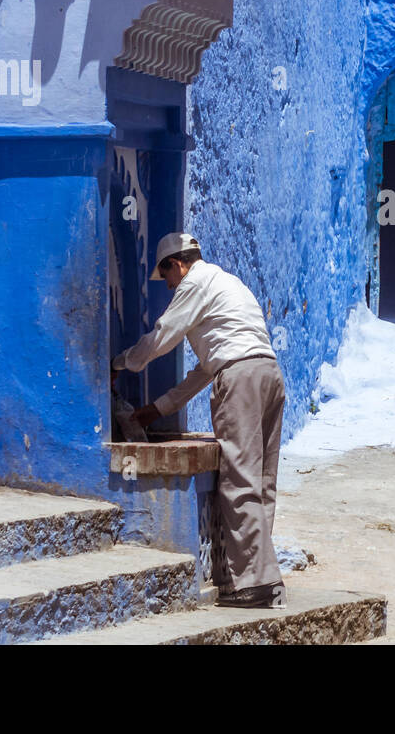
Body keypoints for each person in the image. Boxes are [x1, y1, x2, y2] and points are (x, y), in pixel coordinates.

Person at [111, 232, 286, 608]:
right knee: (262, 482)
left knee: (239, 481)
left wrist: (120, 362)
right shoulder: (228, 283)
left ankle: (253, 584)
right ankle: (266, 580)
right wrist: (155, 410)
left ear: (177, 265)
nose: (170, 288)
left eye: (168, 279)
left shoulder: (193, 284)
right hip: (269, 374)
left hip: (239, 381)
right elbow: (204, 371)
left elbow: (162, 337)